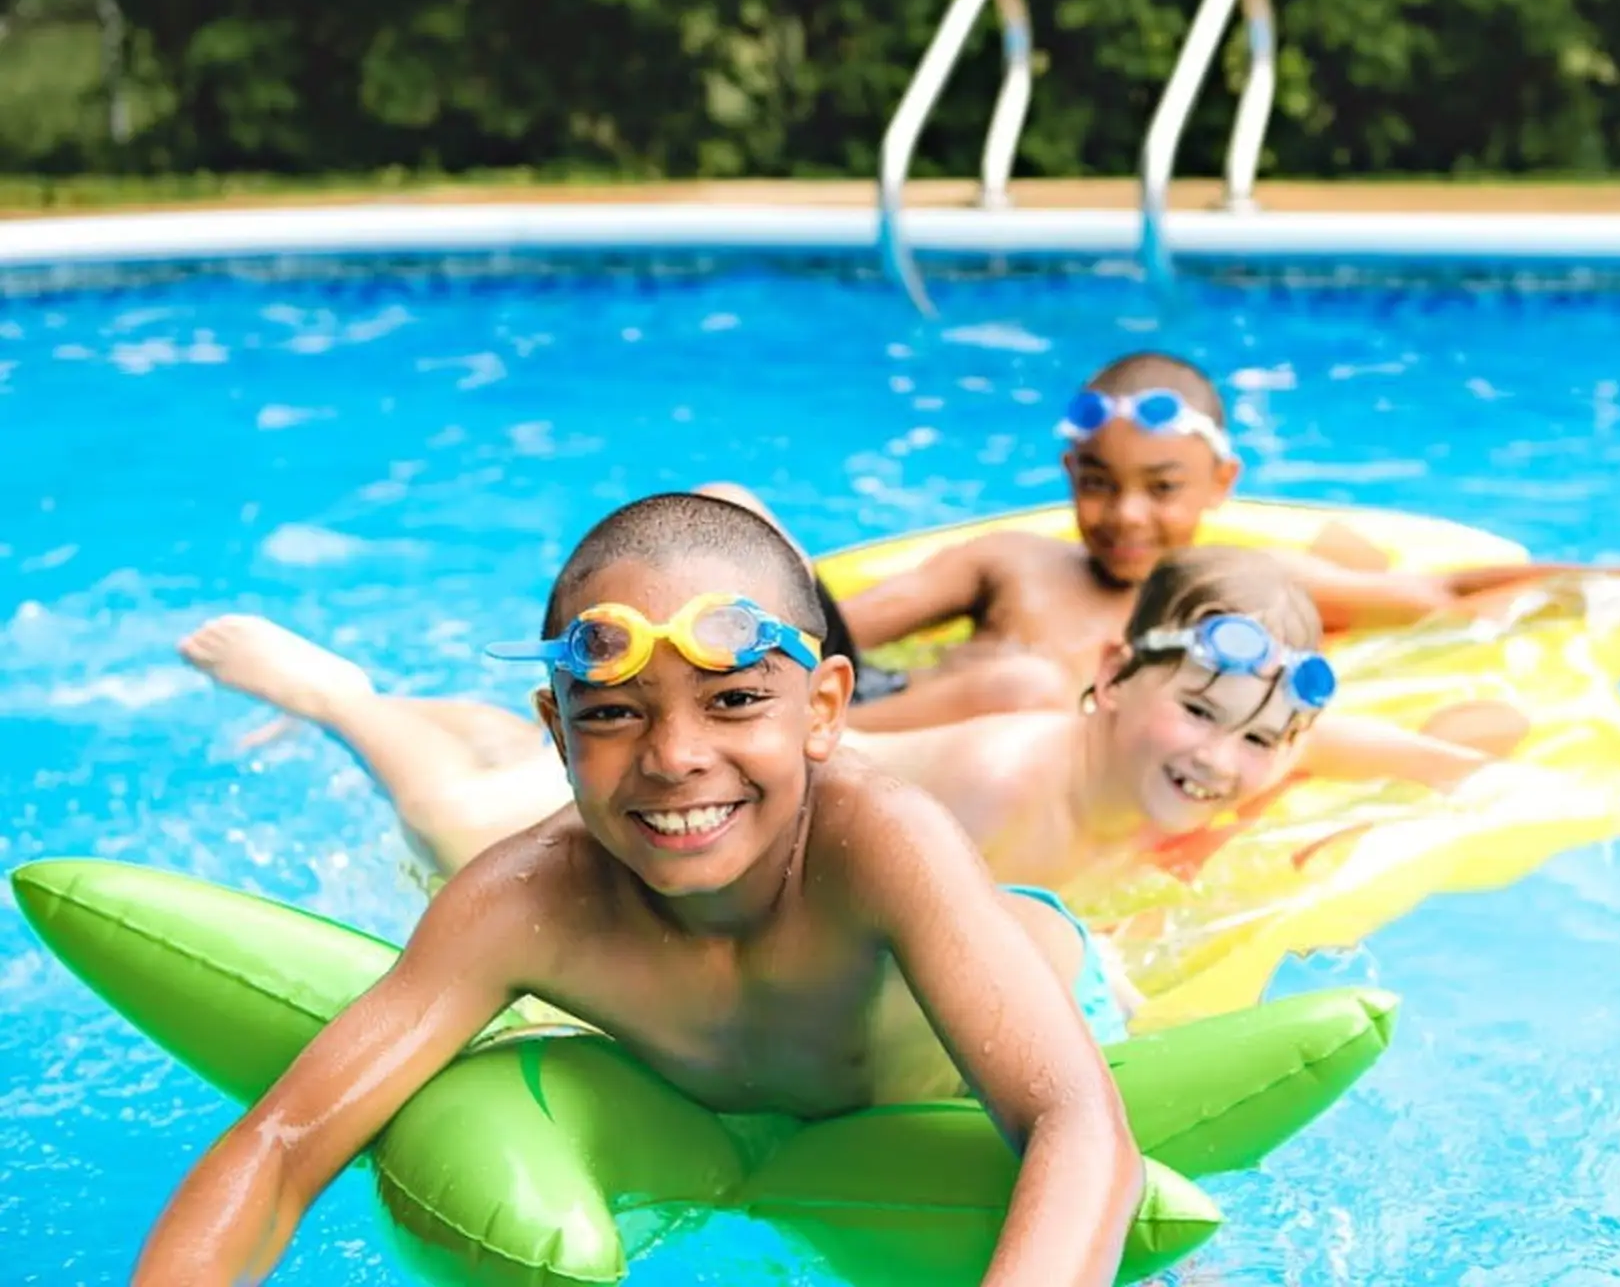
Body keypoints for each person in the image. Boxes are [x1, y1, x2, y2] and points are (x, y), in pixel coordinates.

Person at [140, 493, 1142, 1286]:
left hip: (1048, 1009)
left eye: (737, 701)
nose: (675, 758)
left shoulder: (884, 844)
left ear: (827, 708)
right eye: (614, 714)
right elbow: (280, 1145)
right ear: (555, 726)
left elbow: (1074, 1123)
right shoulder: (526, 899)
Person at [179, 547, 1527, 905]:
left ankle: (468, 717)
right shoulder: (1010, 782)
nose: (1221, 762)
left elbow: (1376, 751)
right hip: (762, 813)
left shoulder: (1227, 763)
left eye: (1259, 741)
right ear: (1111, 680)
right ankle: (339, 695)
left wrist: (1471, 755)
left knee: (519, 767)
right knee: (465, 838)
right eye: (1200, 715)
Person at [830, 350, 1620, 732]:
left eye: (1161, 488)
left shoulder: (1239, 585)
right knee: (1019, 683)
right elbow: (836, 632)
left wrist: (1614, 579)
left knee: (1030, 693)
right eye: (1098, 482)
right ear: (1069, 473)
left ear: (1221, 484)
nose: (1126, 514)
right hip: (881, 718)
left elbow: (1435, 595)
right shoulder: (1011, 562)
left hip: (1008, 765)